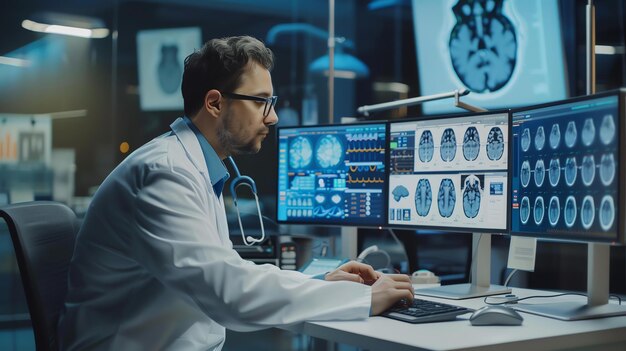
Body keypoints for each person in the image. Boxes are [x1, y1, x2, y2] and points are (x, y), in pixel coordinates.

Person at [58, 36, 413, 350]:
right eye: (261, 101)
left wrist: (320, 281)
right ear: (215, 103)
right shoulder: (165, 173)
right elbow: (231, 294)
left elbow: (230, 272)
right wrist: (361, 298)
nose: (272, 118)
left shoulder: (192, 164)